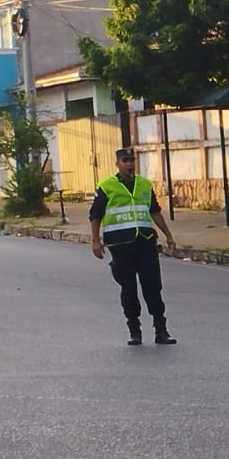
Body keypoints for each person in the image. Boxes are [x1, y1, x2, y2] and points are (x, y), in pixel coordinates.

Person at [89, 146, 178, 345]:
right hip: (120, 245)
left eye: (131, 161)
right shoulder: (106, 186)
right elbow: (95, 215)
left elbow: (155, 211)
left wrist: (168, 235)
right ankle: (134, 330)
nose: (129, 165)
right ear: (117, 164)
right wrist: (95, 241)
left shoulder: (145, 185)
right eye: (125, 161)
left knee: (153, 286)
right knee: (128, 287)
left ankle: (161, 330)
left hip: (145, 241)